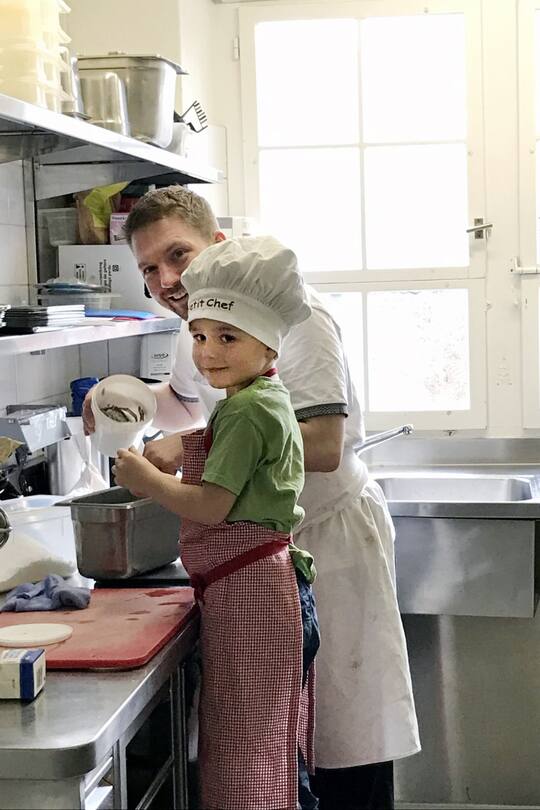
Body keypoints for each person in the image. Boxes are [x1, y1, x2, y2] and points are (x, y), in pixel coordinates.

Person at [84, 186, 420, 810]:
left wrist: (188, 449)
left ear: (216, 244)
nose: (166, 280)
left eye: (176, 256)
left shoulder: (295, 315)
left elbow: (321, 443)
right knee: (289, 746)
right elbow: (187, 399)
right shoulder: (205, 324)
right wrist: (121, 394)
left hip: (326, 539)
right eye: (148, 270)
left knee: (344, 741)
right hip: (261, 551)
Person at [112, 235, 320, 810]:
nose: (207, 352)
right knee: (265, 746)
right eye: (200, 335)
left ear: (267, 344)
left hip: (254, 595)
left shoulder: (249, 409)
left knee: (249, 754)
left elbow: (211, 507)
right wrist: (188, 444)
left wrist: (146, 481)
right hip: (256, 590)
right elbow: (232, 454)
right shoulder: (258, 397)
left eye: (227, 337)